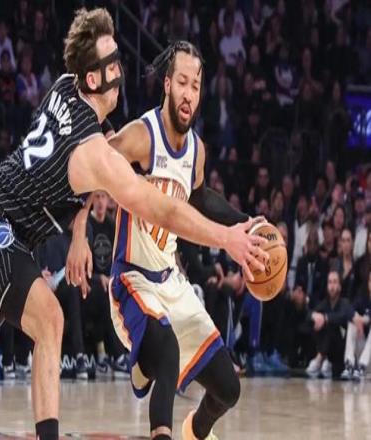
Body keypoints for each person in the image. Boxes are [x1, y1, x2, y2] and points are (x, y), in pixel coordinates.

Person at [0, 10, 266, 440]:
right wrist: (227, 239)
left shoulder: (65, 85)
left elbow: (90, 152)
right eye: (112, 63)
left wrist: (78, 233)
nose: (120, 70)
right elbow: (162, 210)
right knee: (50, 319)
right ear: (92, 79)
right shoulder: (96, 154)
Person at [89, 41, 266, 440]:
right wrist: (79, 235)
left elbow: (200, 198)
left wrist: (245, 222)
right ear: (167, 84)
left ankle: (192, 431)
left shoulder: (197, 152)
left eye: (196, 86)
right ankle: (149, 374)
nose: (188, 94)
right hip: (132, 280)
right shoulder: (142, 136)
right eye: (182, 82)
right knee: (167, 350)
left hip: (171, 282)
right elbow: (92, 164)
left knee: (228, 389)